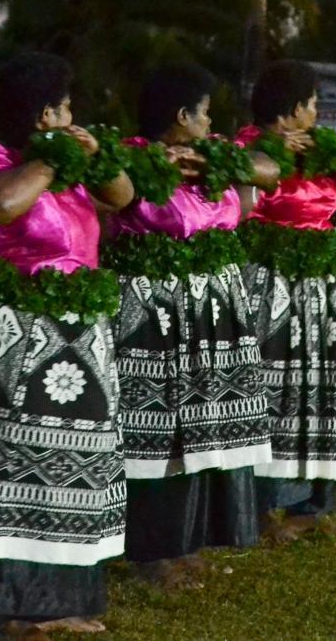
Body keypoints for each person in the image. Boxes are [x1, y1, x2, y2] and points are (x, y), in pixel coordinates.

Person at [0, 52, 136, 636]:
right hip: (8, 344)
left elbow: (123, 197)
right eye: (63, 106)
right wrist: (46, 157)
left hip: (77, 336)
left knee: (71, 465)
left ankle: (62, 602)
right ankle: (9, 608)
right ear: (40, 114)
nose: (72, 114)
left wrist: (89, 156)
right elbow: (2, 206)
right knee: (7, 466)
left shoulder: (72, 162)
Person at [109, 63, 272, 589]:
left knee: (205, 427)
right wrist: (156, 162)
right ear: (182, 115)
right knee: (156, 433)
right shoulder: (132, 160)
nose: (212, 122)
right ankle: (150, 553)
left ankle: (187, 540)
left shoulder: (214, 154)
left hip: (213, 310)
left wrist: (211, 161)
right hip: (154, 312)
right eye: (205, 113)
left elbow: (266, 171)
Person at [234, 61, 336, 528]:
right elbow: (244, 204)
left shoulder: (319, 147)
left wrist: (324, 150)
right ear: (293, 108)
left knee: (315, 387)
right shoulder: (246, 146)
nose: (317, 112)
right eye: (313, 104)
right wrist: (273, 149)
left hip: (320, 284)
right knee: (275, 386)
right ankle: (264, 502)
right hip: (271, 281)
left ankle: (308, 497)